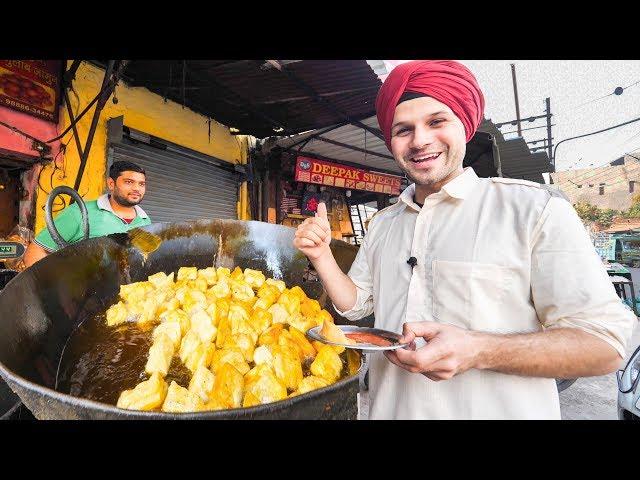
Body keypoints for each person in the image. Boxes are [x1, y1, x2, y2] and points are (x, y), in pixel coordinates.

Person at [293, 60, 636, 419]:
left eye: (436, 121)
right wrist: (321, 256)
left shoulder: (533, 210)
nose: (420, 140)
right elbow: (358, 304)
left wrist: (479, 349)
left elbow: (607, 342)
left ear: (465, 125)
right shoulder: (383, 223)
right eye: (403, 130)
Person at [24, 160, 151, 267]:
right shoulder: (79, 212)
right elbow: (36, 250)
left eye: (141, 184)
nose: (136, 188)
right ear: (111, 184)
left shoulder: (145, 221)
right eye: (129, 182)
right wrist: (51, 290)